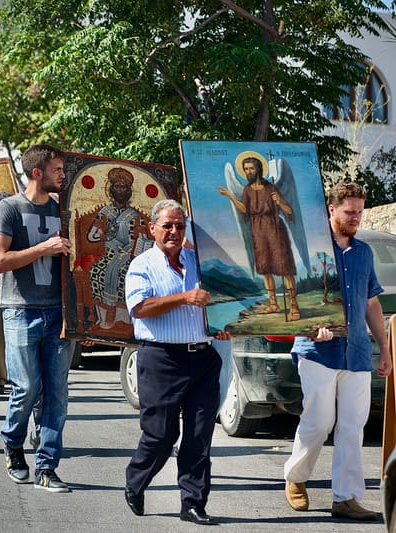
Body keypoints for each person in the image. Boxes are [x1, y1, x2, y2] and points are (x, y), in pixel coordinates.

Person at [283, 181, 392, 521]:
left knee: (352, 425)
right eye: (350, 212)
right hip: (316, 351)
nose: (356, 217)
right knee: (319, 421)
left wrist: (385, 349)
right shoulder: (309, 248)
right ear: (331, 210)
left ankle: (345, 498)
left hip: (357, 352)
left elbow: (371, 302)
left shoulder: (363, 253)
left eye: (359, 212)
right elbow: (291, 298)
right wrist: (311, 326)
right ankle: (296, 477)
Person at [122, 199, 230, 525]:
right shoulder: (142, 265)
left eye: (179, 226)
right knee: (160, 436)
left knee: (199, 436)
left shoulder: (200, 263)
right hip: (161, 359)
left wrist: (223, 324)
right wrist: (183, 297)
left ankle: (193, 503)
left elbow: (220, 300)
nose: (173, 231)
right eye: (167, 225)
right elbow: (140, 308)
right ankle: (135, 482)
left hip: (203, 358)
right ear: (152, 228)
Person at [0, 144, 76, 493]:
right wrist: (45, 247)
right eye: (57, 168)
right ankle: (12, 442)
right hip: (20, 309)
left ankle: (47, 466)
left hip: (59, 311)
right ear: (37, 172)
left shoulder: (65, 210)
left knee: (57, 393)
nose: (62, 175)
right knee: (26, 388)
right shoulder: (9, 208)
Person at [218, 156, 300, 320]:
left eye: (251, 168)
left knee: (285, 268)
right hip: (258, 230)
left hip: (275, 229)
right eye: (246, 169)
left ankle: (293, 306)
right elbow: (244, 210)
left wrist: (279, 202)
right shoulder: (247, 190)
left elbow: (289, 212)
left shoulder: (271, 188)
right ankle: (273, 304)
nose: (249, 172)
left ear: (259, 169)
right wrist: (230, 195)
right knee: (265, 269)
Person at [86, 167, 152, 334]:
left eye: (124, 187)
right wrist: (104, 237)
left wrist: (134, 243)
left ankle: (124, 319)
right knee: (96, 271)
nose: (121, 190)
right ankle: (104, 319)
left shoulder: (134, 215)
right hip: (110, 253)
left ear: (129, 191)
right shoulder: (105, 212)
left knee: (126, 274)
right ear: (111, 189)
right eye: (117, 187)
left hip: (130, 255)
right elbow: (91, 236)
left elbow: (142, 238)